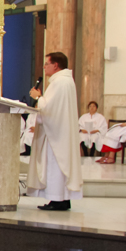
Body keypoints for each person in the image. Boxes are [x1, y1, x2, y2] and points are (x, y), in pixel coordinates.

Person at [27, 52, 83, 211]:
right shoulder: (65, 81)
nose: (44, 67)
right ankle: (62, 199)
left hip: (56, 134)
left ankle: (57, 200)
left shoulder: (60, 82)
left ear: (56, 65)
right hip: (60, 131)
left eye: (47, 64)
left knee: (54, 165)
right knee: (58, 166)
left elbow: (49, 109)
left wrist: (38, 97)